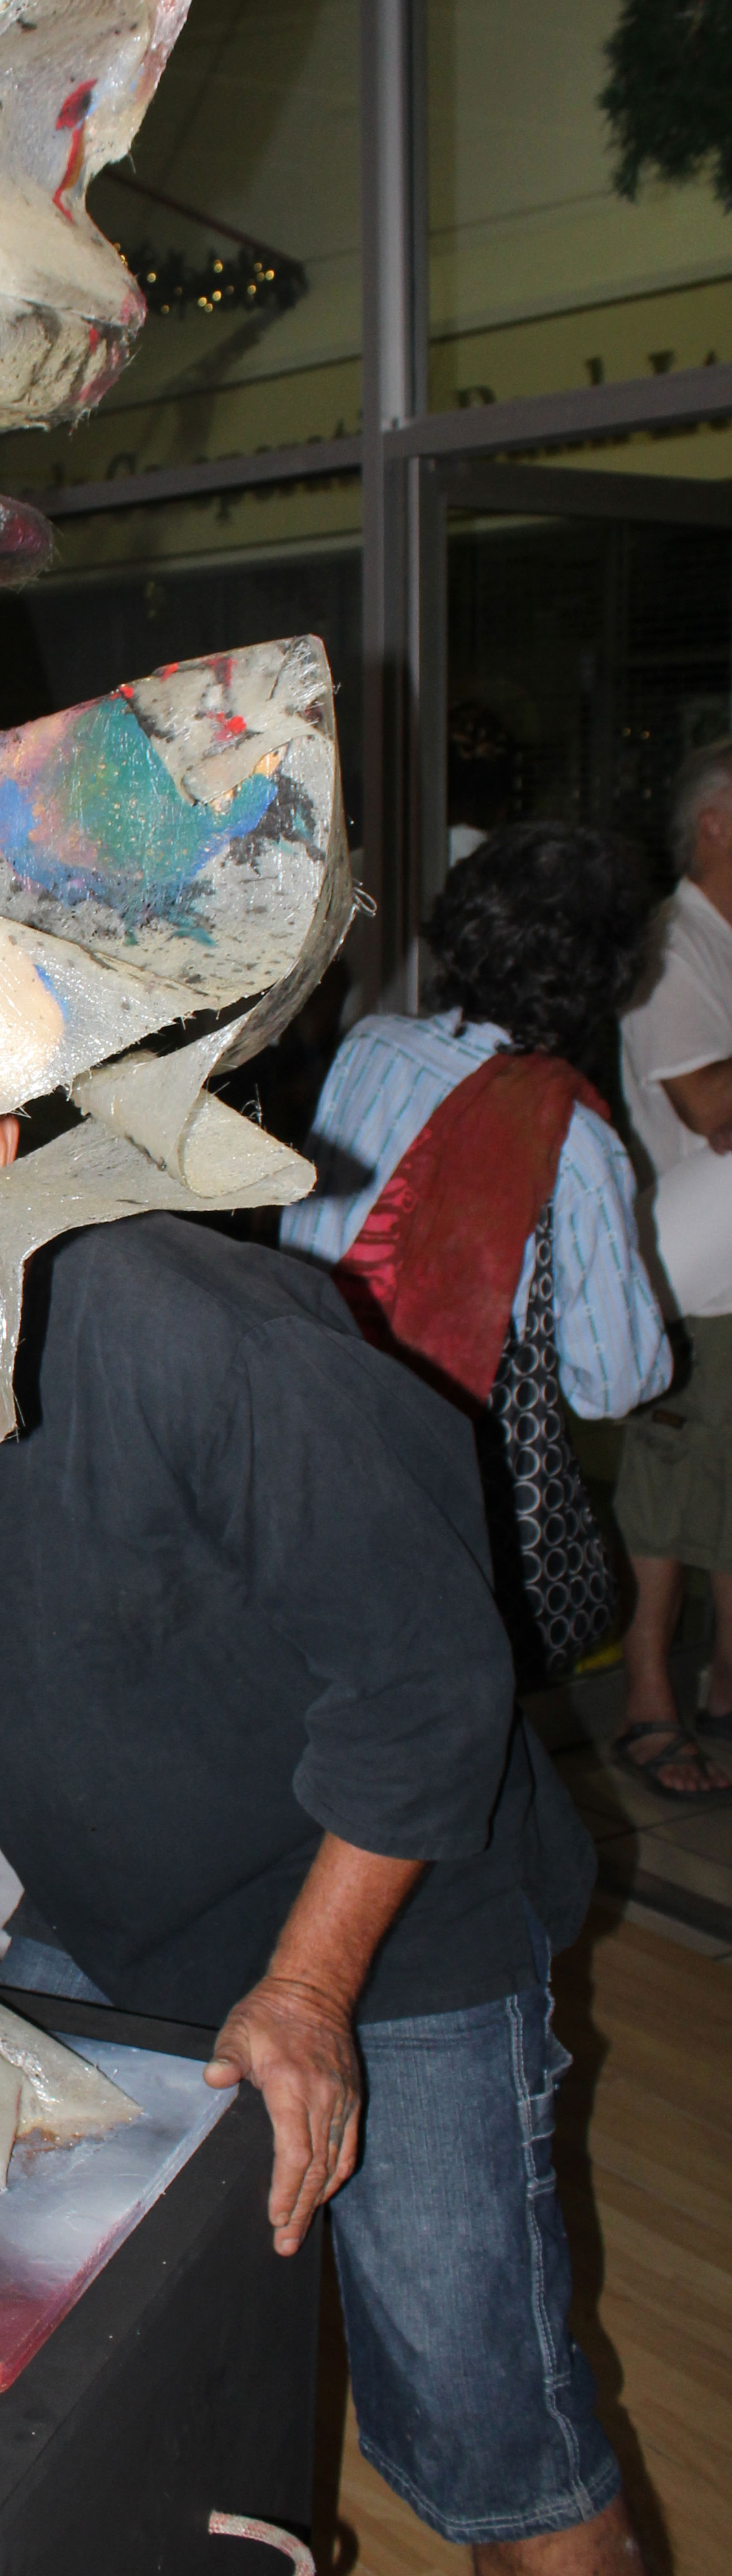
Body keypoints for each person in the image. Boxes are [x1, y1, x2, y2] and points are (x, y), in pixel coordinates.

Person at [0, 1059, 698, 2576]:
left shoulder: (191, 1336)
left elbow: (430, 1686)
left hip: (393, 1927)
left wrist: (311, 1992)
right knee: (50, 2346)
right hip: (127, 1922)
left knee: (495, 2441)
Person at [281, 822, 687, 1758]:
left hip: (322, 1441)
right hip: (458, 1507)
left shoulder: (370, 1047)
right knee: (455, 1749)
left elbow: (309, 1239)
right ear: (607, 975)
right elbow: (612, 1384)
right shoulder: (575, 1143)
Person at [613, 736, 732, 1795]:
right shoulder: (672, 946)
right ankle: (649, 1695)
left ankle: (727, 1683)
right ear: (715, 823)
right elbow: (709, 1106)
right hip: (695, 1266)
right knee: (670, 1481)